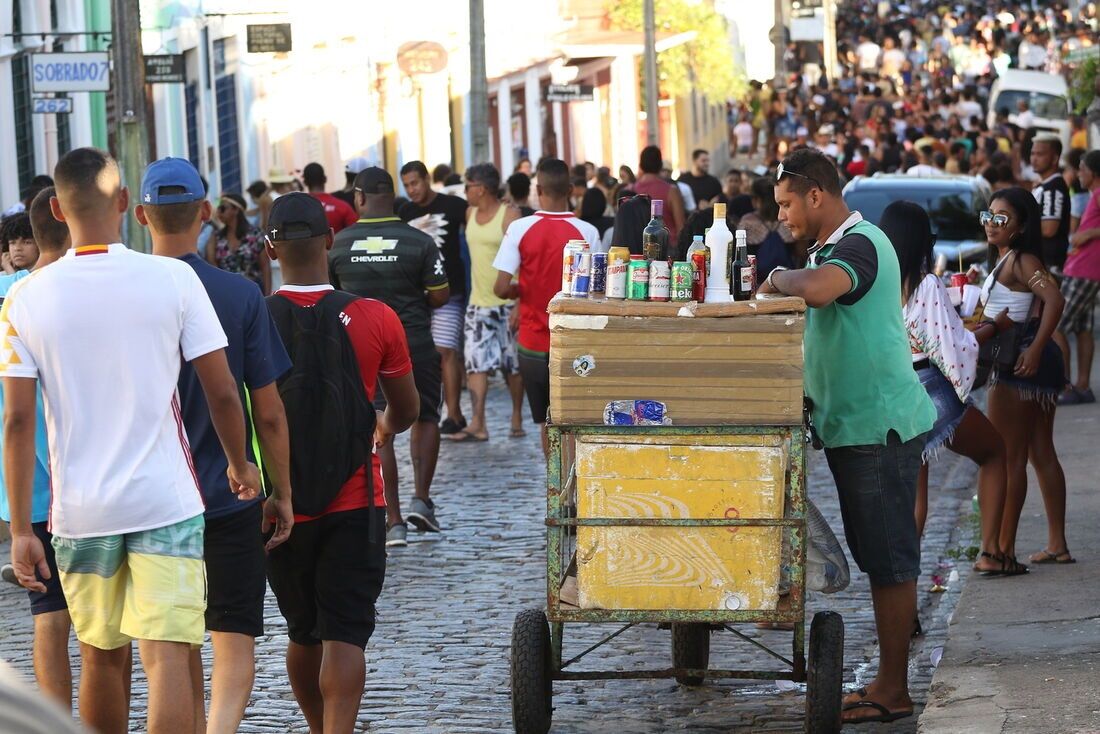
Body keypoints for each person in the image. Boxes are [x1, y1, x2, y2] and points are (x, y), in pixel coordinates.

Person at [1, 147, 261, 734]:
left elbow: (17, 422)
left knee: (100, 655)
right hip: (165, 500)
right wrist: (240, 464)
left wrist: (21, 528)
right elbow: (222, 392)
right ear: (124, 203)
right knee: (167, 653)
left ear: (57, 212)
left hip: (79, 509)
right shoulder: (171, 278)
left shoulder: (24, 298)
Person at [759, 148, 935, 725]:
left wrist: (775, 277)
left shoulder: (859, 243)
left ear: (817, 194)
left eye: (787, 204)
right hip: (853, 427)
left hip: (877, 428)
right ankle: (888, 682)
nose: (783, 215)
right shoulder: (830, 247)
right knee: (878, 556)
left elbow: (815, 291)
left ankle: (893, 690)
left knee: (889, 561)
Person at [134, 157, 295, 734]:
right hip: (229, 494)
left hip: (153, 499)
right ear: (205, 212)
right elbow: (267, 411)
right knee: (234, 631)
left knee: (169, 644)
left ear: (139, 214)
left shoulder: (124, 295)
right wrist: (279, 489)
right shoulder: (239, 293)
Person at [263, 193, 419, 734]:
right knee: (345, 632)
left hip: (278, 503)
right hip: (357, 499)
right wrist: (383, 426)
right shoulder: (376, 317)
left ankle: (315, 725)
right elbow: (408, 408)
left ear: (270, 247)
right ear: (330, 242)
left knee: (302, 630)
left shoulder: (253, 321)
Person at [880, 201, 1023, 579]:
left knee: (915, 500)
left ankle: (902, 597)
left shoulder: (875, 285)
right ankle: (991, 551)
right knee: (995, 453)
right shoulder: (925, 284)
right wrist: (993, 327)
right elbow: (951, 348)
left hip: (894, 395)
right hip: (929, 391)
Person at [332, 168, 450, 547]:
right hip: (414, 340)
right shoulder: (420, 241)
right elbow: (440, 295)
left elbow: (330, 295)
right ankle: (421, 499)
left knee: (377, 426)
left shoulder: (340, 245)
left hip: (360, 347)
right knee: (426, 414)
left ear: (359, 198)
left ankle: (393, 519)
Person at [0, 187, 73, 711]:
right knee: (102, 625)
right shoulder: (76, 288)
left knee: (48, 615)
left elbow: (16, 415)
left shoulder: (11, 294)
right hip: (90, 486)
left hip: (28, 492)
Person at [976, 188, 1070, 569]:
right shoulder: (1006, 260)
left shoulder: (1021, 259)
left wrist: (1034, 348)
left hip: (1022, 360)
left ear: (1021, 226)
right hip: (1031, 359)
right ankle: (1056, 544)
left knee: (1007, 455)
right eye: (989, 216)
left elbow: (1055, 299)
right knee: (1038, 450)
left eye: (1002, 219)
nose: (992, 224)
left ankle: (1000, 550)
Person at [492, 158, 600, 456]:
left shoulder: (519, 228)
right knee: (574, 421)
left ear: (537, 189)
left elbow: (500, 287)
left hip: (533, 344)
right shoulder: (587, 232)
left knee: (547, 424)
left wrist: (522, 289)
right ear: (570, 189)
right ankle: (575, 490)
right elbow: (596, 290)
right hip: (574, 343)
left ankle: (554, 494)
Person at [455, 163, 525, 443]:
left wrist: (520, 303)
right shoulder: (469, 212)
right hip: (478, 302)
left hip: (508, 301)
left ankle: (517, 415)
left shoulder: (510, 215)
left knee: (513, 366)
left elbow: (524, 260)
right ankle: (478, 422)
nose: (465, 192)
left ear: (480, 188)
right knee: (475, 363)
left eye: (467, 186)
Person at [399, 160, 470, 437]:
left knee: (445, 351)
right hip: (416, 294)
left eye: (414, 183)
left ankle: (452, 413)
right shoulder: (404, 211)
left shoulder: (453, 206)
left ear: (427, 180)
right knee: (421, 354)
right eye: (406, 185)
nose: (411, 190)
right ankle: (427, 410)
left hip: (449, 291)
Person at [1055, 150, 1100, 405]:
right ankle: (1082, 386)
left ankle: (1067, 386)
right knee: (1082, 329)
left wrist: (1090, 233)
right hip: (1083, 269)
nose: (1078, 173)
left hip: (1084, 271)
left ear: (1092, 173)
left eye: (1081, 168)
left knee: (1056, 326)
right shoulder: (1092, 195)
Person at [206, 193, 271, 294]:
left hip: (252, 292)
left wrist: (267, 298)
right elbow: (212, 263)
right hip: (227, 292)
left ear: (235, 210)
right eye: (218, 208)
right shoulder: (217, 236)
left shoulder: (256, 235)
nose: (218, 212)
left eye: (222, 208)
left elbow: (265, 267)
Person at [737, 176, 798, 282]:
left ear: (757, 199)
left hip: (756, 281)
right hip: (787, 279)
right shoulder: (787, 219)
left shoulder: (748, 221)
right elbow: (800, 253)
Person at [1030, 134, 1071, 273]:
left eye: (1040, 154)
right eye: (1032, 153)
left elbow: (1049, 229)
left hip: (1049, 264)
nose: (1034, 159)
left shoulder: (1054, 188)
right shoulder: (1043, 185)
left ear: (1055, 158)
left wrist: (1020, 226)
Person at [630, 145, 685, 246]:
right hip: (666, 248)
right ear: (660, 165)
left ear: (641, 165)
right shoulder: (671, 191)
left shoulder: (630, 190)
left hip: (639, 250)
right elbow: (681, 228)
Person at [302, 163, 357, 233]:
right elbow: (356, 232)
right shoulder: (343, 207)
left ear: (305, 182)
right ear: (325, 179)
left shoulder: (298, 209)